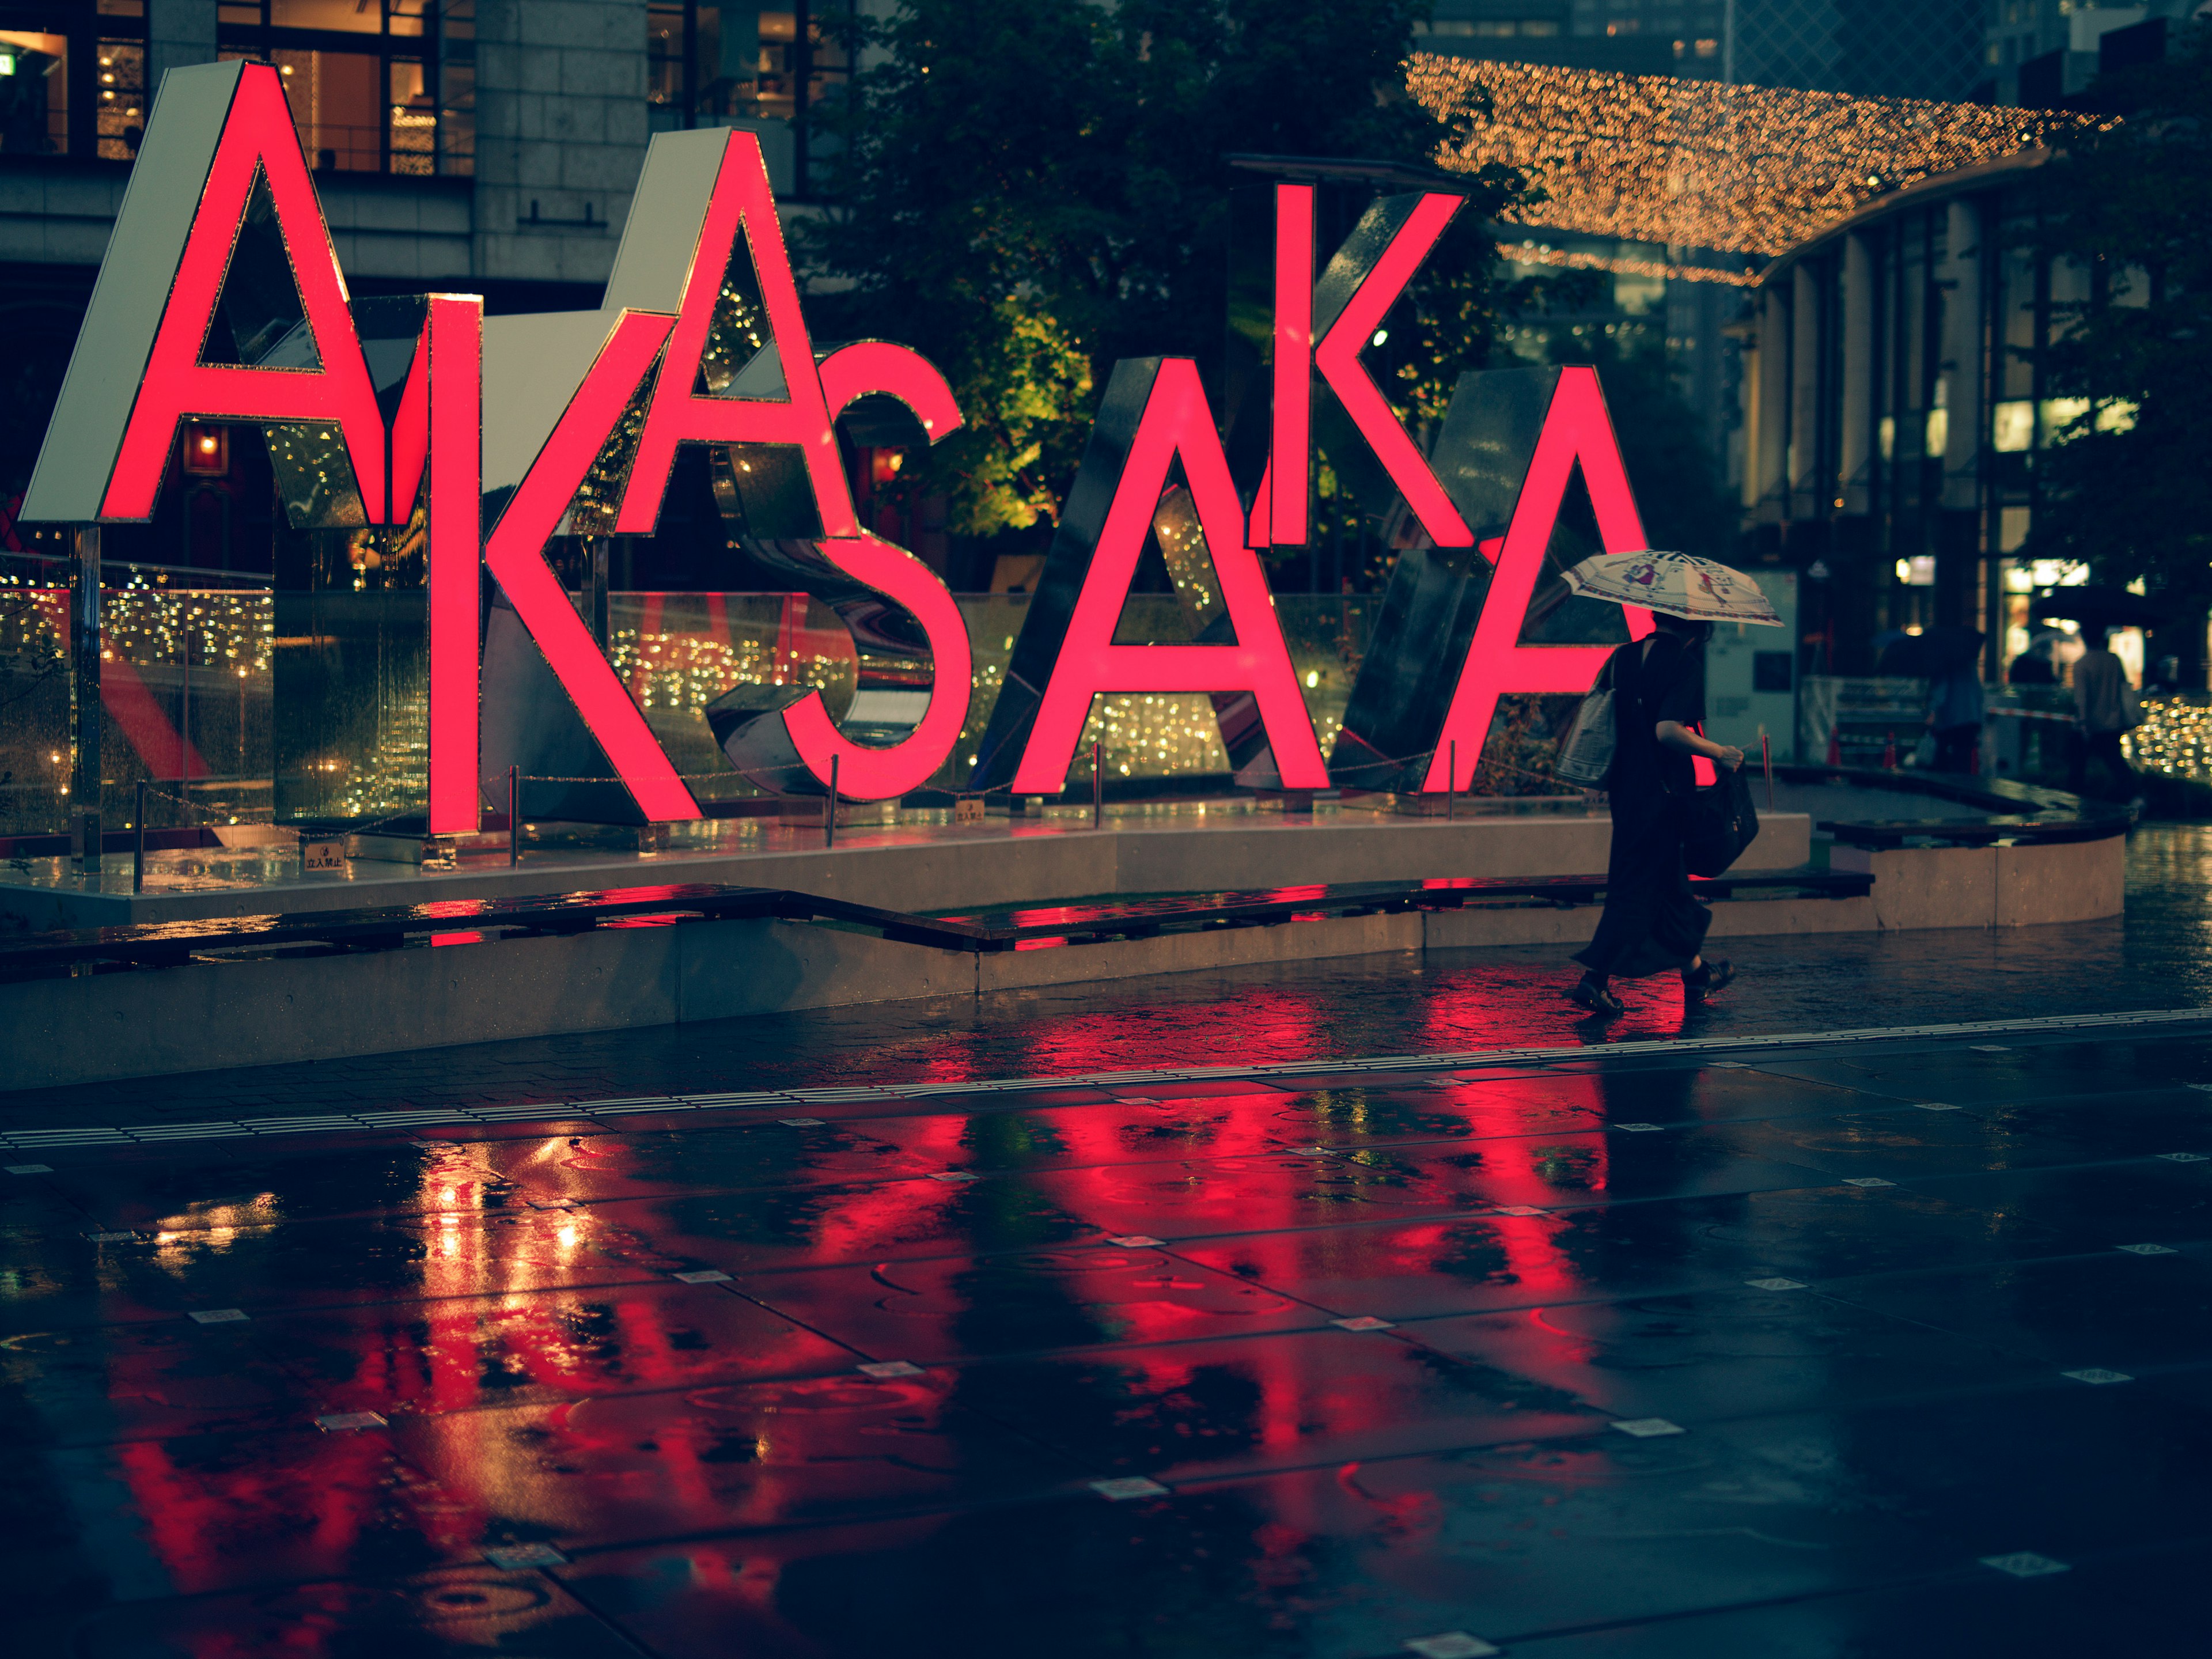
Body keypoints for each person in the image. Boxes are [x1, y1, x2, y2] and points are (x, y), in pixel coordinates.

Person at [1568, 611, 1747, 1018]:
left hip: (1626, 790)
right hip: (1664, 794)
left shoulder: (1622, 656)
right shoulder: (1684, 663)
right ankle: (1594, 979)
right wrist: (1721, 752)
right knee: (1640, 884)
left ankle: (1697, 974)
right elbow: (1667, 730)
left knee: (1665, 882)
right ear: (1698, 627)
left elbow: (1603, 720)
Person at [2069, 628, 2140, 800]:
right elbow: (2123, 686)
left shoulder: (2082, 664)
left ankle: (2075, 801)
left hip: (2091, 723)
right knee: (2116, 762)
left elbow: (2082, 697)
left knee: (2078, 765)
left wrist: (2084, 722)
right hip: (2114, 720)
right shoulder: (2114, 660)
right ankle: (2131, 797)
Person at [1926, 659, 1984, 774]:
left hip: (1952, 718)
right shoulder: (1969, 665)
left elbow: (1940, 692)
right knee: (1964, 759)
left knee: (1943, 759)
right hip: (1971, 718)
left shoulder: (1944, 663)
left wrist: (1932, 711)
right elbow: (1979, 693)